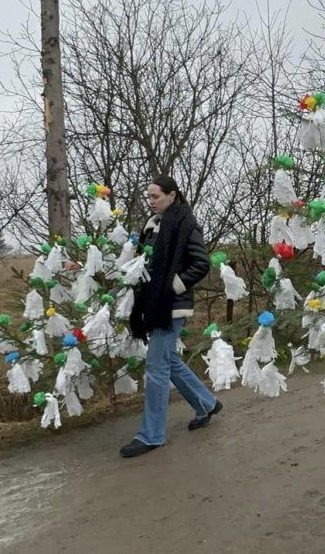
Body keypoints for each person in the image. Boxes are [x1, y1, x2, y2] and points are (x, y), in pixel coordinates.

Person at [121, 177, 221, 459]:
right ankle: (206, 403)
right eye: (149, 196)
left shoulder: (185, 224)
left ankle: (151, 435)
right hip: (153, 305)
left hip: (171, 306)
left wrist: (173, 285)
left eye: (155, 196)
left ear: (172, 195)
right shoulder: (152, 226)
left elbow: (202, 263)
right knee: (168, 360)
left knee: (156, 368)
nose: (151, 201)